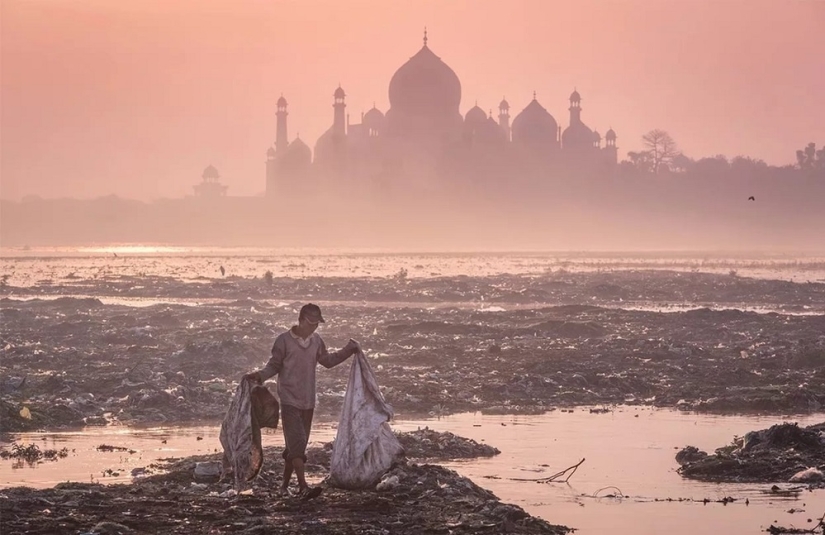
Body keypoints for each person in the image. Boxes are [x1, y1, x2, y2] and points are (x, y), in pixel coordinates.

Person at [244, 303, 359, 499]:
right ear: (301, 320)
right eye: (312, 323)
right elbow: (274, 365)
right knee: (297, 444)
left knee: (296, 446)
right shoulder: (284, 341)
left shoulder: (316, 341)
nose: (314, 327)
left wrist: (349, 350)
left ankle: (283, 487)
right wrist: (260, 376)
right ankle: (303, 487)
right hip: (289, 400)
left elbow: (328, 361)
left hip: (308, 400)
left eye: (317, 324)